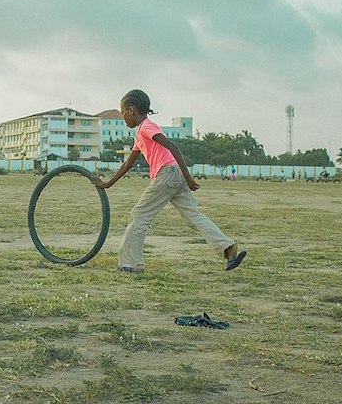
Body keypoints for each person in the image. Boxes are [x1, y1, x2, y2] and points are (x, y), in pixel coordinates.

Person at [94, 89, 246, 273]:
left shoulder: (147, 127)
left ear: (132, 110)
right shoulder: (140, 134)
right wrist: (108, 183)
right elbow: (128, 164)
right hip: (175, 175)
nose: (124, 117)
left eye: (124, 112)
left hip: (168, 174)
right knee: (193, 216)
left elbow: (173, 147)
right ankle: (228, 248)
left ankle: (131, 263)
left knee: (139, 214)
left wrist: (188, 176)